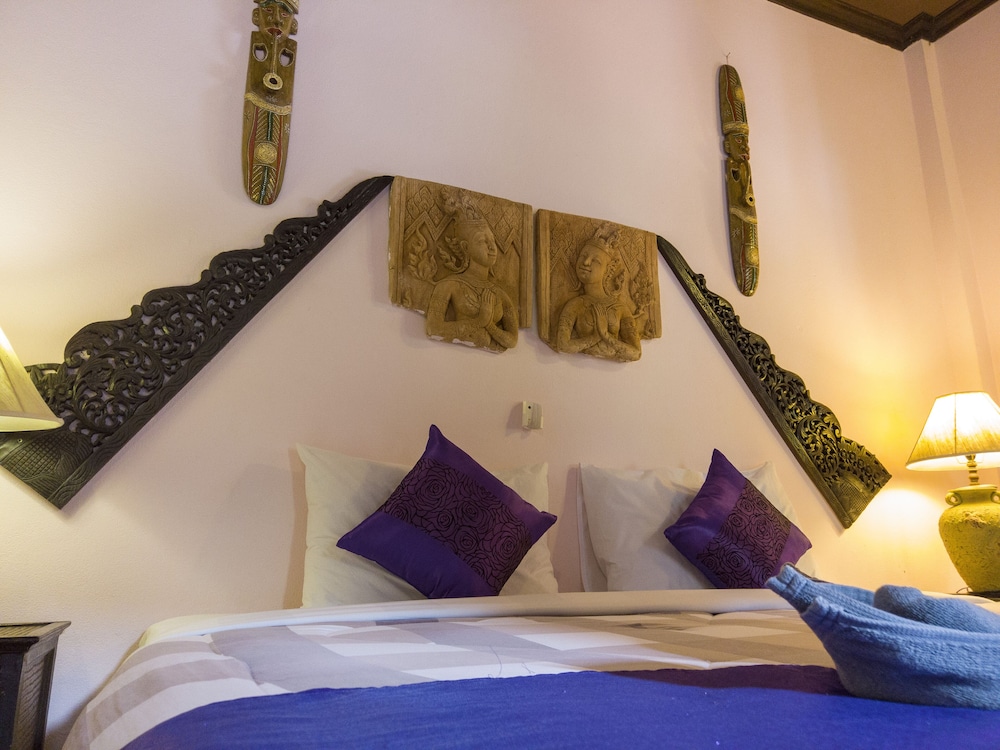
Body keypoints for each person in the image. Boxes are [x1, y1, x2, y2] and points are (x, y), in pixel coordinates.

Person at [425, 204, 518, 353]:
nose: (491, 247)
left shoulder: (500, 294)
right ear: (465, 247)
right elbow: (433, 328)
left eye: (492, 240)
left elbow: (512, 340)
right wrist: (479, 321)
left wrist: (490, 326)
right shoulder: (449, 285)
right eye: (482, 241)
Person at [556, 226, 641, 362]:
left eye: (595, 261)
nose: (586, 262)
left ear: (608, 270)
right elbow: (563, 345)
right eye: (583, 256)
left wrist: (605, 335)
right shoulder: (575, 305)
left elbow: (636, 353)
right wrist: (595, 337)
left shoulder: (620, 308)